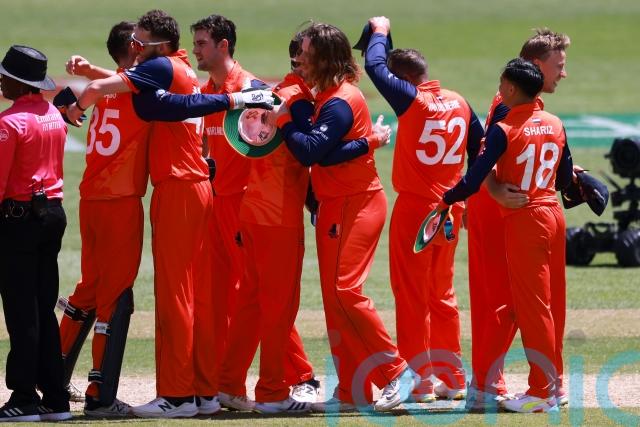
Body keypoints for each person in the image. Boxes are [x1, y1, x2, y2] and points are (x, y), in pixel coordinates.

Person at [65, 9, 269, 419]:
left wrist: (76, 100)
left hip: (177, 189)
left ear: (158, 44)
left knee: (175, 296)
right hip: (195, 187)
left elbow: (121, 87)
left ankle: (176, 395)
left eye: (140, 42)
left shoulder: (160, 67)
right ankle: (204, 391)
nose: (135, 47)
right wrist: (92, 72)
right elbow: (142, 89)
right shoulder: (178, 70)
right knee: (198, 296)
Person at [277, 22, 417, 413]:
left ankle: (397, 372)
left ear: (323, 58)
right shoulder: (327, 96)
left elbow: (310, 152)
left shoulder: (339, 101)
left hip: (354, 204)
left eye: (305, 53)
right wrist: (368, 141)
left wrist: (284, 120)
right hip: (336, 204)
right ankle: (353, 391)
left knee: (345, 292)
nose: (298, 59)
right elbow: (329, 154)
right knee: (335, 301)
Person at [438, 58, 573, 413]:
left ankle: (542, 390)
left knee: (533, 309)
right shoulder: (556, 123)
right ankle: (553, 386)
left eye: (501, 85)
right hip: (553, 215)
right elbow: (563, 178)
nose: (498, 91)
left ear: (511, 89)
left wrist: (447, 199)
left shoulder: (504, 128)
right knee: (545, 305)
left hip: (526, 219)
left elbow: (474, 178)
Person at [364, 16, 483, 403]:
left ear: (405, 79)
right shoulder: (459, 101)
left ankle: (421, 382)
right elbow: (480, 147)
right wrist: (468, 194)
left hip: (417, 209)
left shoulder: (413, 100)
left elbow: (374, 67)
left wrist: (379, 30)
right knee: (442, 293)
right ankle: (454, 377)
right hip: (451, 208)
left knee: (412, 296)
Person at [56, 21, 150, 418]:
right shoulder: (135, 88)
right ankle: (101, 396)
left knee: (89, 290)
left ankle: (52, 377)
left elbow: (113, 79)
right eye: (144, 43)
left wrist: (89, 71)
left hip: (91, 200)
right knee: (115, 295)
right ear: (135, 48)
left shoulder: (114, 88)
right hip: (119, 202)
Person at [0, 45, 71, 422]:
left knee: (21, 310)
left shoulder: (9, 123)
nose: (1, 81)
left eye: (5, 76)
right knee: (43, 307)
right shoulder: (53, 116)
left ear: (20, 82)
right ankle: (55, 398)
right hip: (52, 215)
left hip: (19, 220)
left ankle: (24, 396)